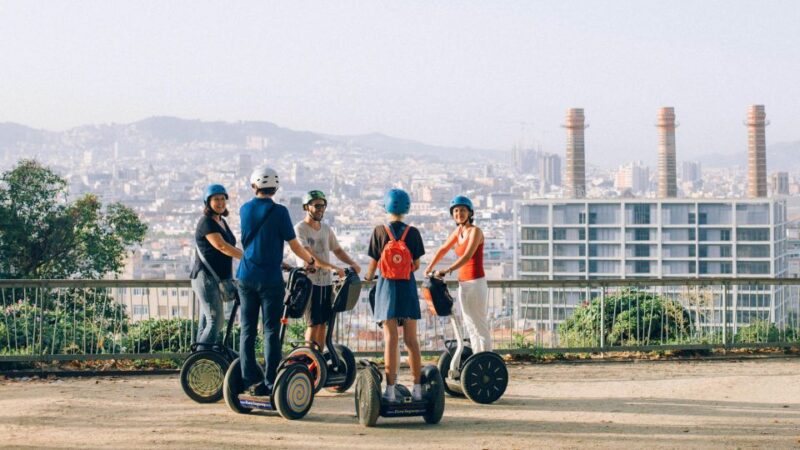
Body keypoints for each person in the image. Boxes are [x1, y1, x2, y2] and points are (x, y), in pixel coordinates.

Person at [237, 165, 317, 396]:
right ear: (275, 187)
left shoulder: (244, 209)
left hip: (245, 276)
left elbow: (250, 243)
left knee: (247, 329)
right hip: (270, 279)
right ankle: (271, 380)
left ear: (254, 186)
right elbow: (294, 245)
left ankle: (248, 376)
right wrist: (310, 261)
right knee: (271, 330)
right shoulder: (280, 212)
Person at [363, 188, 425, 402]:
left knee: (391, 340)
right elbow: (415, 265)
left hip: (386, 289)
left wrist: (370, 277)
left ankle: (389, 390)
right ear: (407, 208)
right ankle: (417, 388)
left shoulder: (379, 232)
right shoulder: (413, 233)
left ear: (386, 206)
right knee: (411, 341)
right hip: (406, 289)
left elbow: (372, 266)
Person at [294, 190, 361, 350]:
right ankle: (308, 357)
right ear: (306, 207)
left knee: (323, 324)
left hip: (326, 282)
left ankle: (319, 358)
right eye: (317, 205)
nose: (320, 209)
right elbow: (307, 255)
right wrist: (334, 267)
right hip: (309, 283)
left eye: (323, 206)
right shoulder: (300, 229)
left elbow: (337, 250)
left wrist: (353, 263)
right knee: (312, 324)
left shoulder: (326, 229)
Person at [424, 195, 492, 353]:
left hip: (475, 282)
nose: (459, 213)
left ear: (470, 213)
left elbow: (467, 256)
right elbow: (443, 249)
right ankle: (477, 357)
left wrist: (447, 270)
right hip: (463, 283)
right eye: (455, 211)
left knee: (479, 323)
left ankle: (487, 358)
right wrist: (430, 267)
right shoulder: (459, 231)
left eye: (462, 210)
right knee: (470, 324)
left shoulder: (475, 232)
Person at [190, 184, 242, 349]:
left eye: (222, 199)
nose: (220, 202)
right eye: (216, 199)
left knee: (207, 321)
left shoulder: (221, 221)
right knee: (215, 321)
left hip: (215, 278)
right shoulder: (206, 223)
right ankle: (200, 361)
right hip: (206, 277)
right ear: (207, 202)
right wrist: (248, 258)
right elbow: (222, 246)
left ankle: (199, 360)